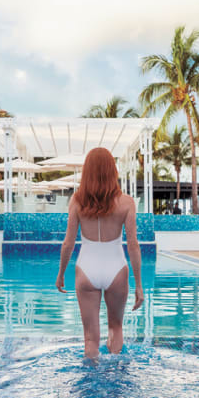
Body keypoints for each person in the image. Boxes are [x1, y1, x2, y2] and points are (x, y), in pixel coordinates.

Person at [56, 147, 144, 358]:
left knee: (90, 339)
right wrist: (139, 285)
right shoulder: (126, 202)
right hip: (116, 270)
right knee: (116, 328)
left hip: (86, 269)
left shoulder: (77, 201)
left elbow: (68, 243)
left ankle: (91, 386)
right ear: (112, 171)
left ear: (87, 172)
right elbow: (133, 245)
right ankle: (115, 378)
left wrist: (60, 274)